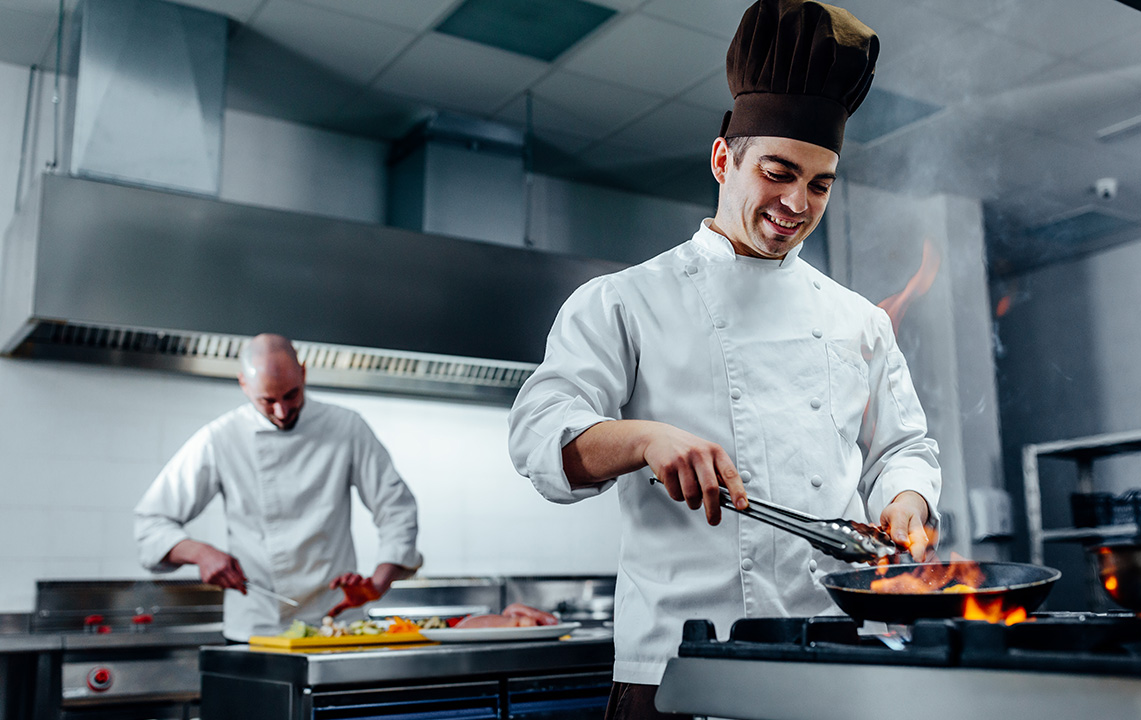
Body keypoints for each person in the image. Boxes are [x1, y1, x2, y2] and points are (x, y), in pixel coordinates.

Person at [507, 1, 942, 716]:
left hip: (834, 656)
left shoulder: (857, 320)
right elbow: (538, 438)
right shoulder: (623, 301)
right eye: (778, 172)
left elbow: (904, 446)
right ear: (722, 159)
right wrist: (645, 439)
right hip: (677, 666)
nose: (796, 203)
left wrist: (906, 501)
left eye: (820, 183)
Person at [134, 334, 423, 641]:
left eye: (291, 395)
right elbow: (151, 524)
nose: (283, 411)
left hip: (337, 623)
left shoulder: (346, 427)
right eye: (268, 401)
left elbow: (397, 509)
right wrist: (199, 552)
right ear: (244, 384)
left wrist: (379, 582)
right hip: (257, 627)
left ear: (304, 373)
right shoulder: (220, 438)